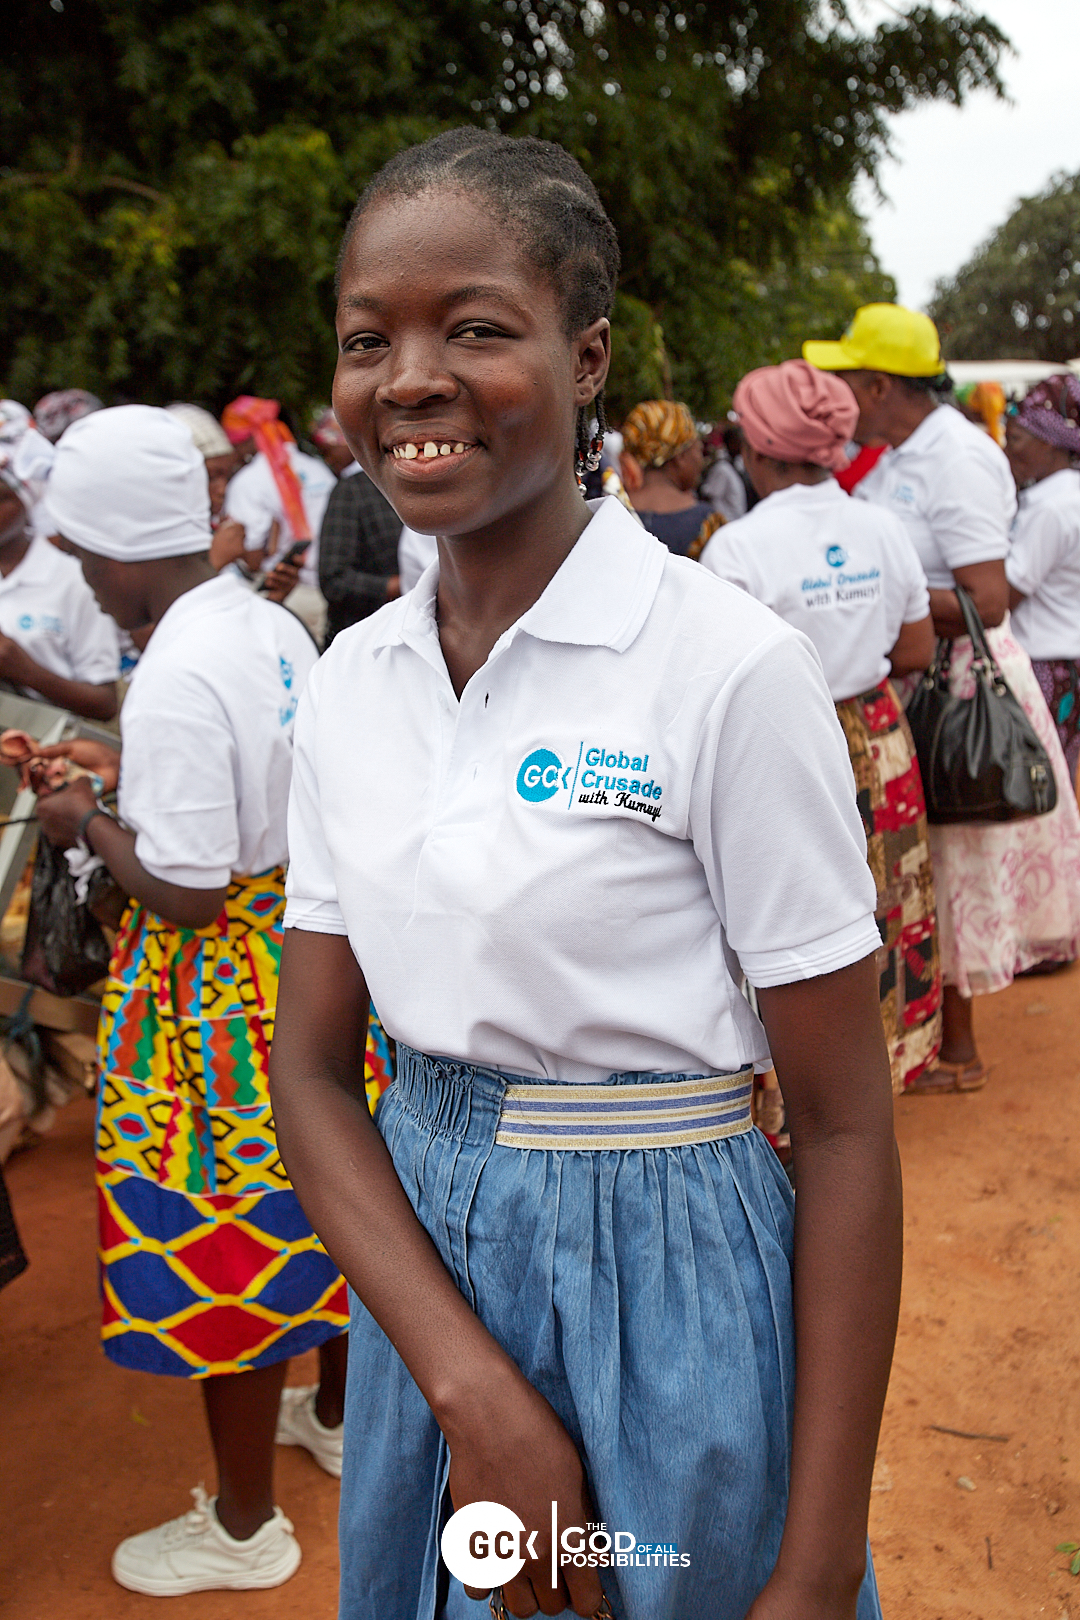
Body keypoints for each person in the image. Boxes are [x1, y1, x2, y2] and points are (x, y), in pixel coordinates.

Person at [270, 126, 898, 1620]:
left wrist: (816, 1569)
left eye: (476, 328)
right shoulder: (350, 685)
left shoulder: (727, 671)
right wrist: (470, 1392)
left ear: (590, 355)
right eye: (368, 338)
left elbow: (844, 1128)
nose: (410, 377)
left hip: (670, 1283)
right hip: (425, 1280)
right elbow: (312, 1071)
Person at [33, 404, 362, 1597]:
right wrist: (120, 779)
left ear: (123, 551)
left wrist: (84, 821)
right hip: (308, 952)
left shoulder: (173, 670)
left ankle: (243, 1524)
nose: (84, 577)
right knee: (327, 1193)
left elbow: (184, 888)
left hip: (213, 990)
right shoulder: (264, 624)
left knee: (225, 1220)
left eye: (84, 554)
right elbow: (252, 789)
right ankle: (335, 1418)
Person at [806, 304, 1080, 1091]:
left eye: (847, 379)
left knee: (951, 863)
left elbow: (987, 599)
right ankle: (932, 1037)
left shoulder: (955, 458)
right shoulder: (898, 455)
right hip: (914, 671)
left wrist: (878, 597)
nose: (837, 394)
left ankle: (955, 1049)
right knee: (922, 861)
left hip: (956, 682)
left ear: (880, 385)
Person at [700, 361, 940, 1092]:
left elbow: (714, 674)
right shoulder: (883, 527)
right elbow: (916, 649)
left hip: (778, 739)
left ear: (759, 448)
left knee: (789, 916)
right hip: (879, 732)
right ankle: (889, 1066)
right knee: (888, 897)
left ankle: (791, 1096)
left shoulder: (737, 547)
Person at [0, 406, 119, 720]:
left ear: (28, 501)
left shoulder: (73, 581)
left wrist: (25, 670)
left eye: (1, 499)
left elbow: (104, 704)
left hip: (43, 743)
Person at [1003, 375, 1080, 780]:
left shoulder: (1053, 508)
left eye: (1015, 439)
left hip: (1045, 665)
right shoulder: (1066, 496)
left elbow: (1005, 595)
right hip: (1066, 660)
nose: (1006, 450)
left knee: (1040, 784)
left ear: (1049, 441)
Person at [221, 395, 336, 643]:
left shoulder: (249, 481)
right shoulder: (318, 470)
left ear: (247, 439)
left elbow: (252, 558)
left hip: (279, 597)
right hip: (326, 592)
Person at [166, 403, 302, 608]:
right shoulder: (151, 540)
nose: (222, 489)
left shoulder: (211, 528)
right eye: (211, 476)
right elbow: (161, 618)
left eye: (226, 476)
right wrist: (216, 560)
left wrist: (274, 597)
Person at [313, 407, 403, 644]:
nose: (328, 457)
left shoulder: (432, 486)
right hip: (368, 637)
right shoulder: (352, 491)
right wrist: (399, 586)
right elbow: (334, 578)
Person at [619, 399, 724, 556]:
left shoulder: (611, 515)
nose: (700, 460)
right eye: (698, 449)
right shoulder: (709, 524)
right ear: (680, 457)